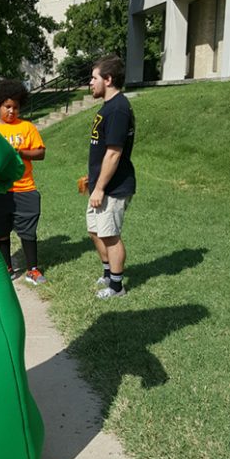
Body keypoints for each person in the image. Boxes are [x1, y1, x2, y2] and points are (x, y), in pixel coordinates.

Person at [0, 79, 46, 284]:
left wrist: (20, 152)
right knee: (0, 233)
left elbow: (41, 152)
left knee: (28, 231)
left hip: (24, 188)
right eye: (7, 106)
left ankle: (32, 270)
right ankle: (7, 267)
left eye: (15, 107)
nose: (11, 111)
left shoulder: (27, 127)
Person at [86, 54, 136, 299]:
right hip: (100, 183)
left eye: (94, 78)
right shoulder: (109, 107)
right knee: (95, 231)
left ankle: (117, 287)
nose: (90, 83)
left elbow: (114, 154)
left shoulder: (118, 109)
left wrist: (100, 187)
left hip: (113, 187)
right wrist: (92, 178)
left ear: (108, 79)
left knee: (110, 235)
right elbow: (101, 149)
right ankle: (108, 274)